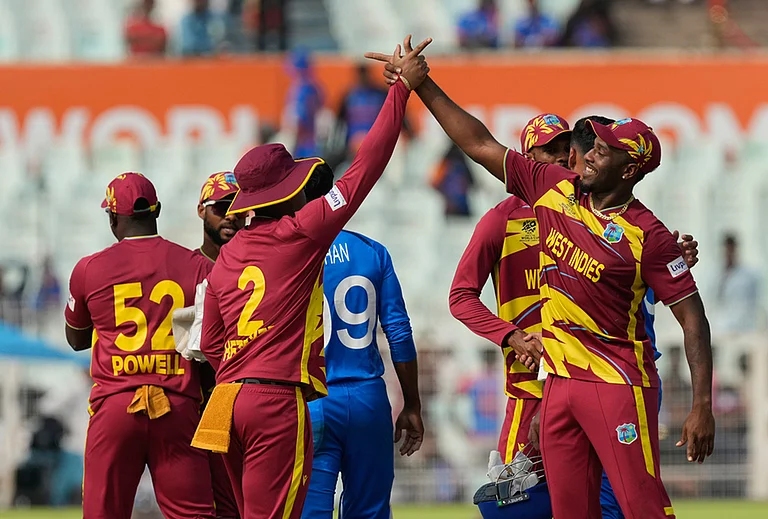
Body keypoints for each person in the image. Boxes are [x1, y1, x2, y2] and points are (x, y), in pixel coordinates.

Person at [367, 43, 715, 518]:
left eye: (603, 151)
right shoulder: (551, 192)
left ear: (630, 169)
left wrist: (702, 404)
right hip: (557, 385)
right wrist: (421, 83)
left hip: (617, 383)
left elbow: (692, 319)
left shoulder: (648, 234)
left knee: (641, 507)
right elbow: (479, 144)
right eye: (590, 145)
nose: (585, 155)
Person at [193, 37, 431, 519]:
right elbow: (367, 166)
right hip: (281, 399)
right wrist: (402, 89)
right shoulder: (302, 232)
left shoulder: (229, 252)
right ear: (288, 190)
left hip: (228, 402)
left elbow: (212, 342)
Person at [64, 172, 216, 519]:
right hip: (177, 404)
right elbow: (208, 342)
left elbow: (75, 339)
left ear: (113, 217)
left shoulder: (89, 268)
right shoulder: (197, 266)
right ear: (157, 210)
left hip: (116, 406)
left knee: (103, 512)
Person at [299, 165, 424, 519]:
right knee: (369, 512)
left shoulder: (290, 253)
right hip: (368, 399)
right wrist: (411, 404)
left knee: (310, 509)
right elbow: (398, 331)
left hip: (312, 397)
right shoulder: (372, 251)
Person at [449, 114, 572, 465]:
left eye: (567, 148)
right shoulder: (501, 220)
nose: (563, 157)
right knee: (514, 501)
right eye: (551, 150)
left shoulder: (588, 212)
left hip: (584, 383)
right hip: (530, 386)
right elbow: (460, 297)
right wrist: (511, 336)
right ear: (527, 159)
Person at [195, 172, 242, 519]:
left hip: (249, 408)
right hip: (200, 409)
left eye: (238, 207)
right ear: (201, 211)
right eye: (221, 207)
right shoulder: (185, 269)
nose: (230, 215)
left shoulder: (259, 265)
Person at [285, 49, 325, 159]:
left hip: (304, 143)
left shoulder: (302, 90)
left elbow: (299, 120)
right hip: (312, 141)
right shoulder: (315, 87)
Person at [430, 143, 476, 217]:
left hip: (462, 208)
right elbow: (433, 182)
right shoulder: (444, 165)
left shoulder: (460, 165)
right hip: (452, 207)